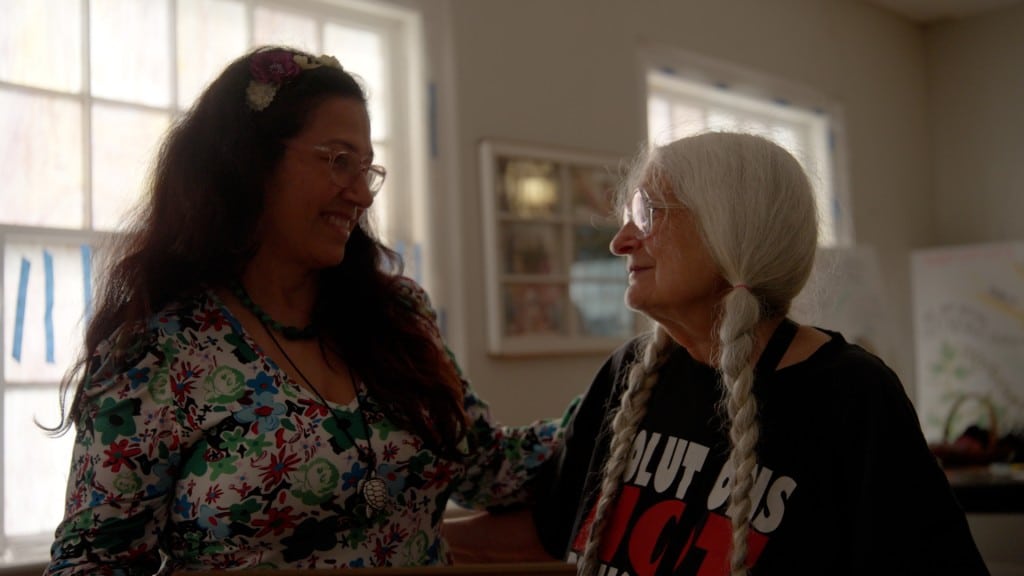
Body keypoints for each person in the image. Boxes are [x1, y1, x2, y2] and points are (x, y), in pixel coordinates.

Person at [44, 45, 560, 574]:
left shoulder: (399, 316)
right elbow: (91, 562)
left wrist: (629, 382)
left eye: (367, 169)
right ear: (250, 162)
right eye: (339, 161)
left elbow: (491, 467)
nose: (361, 194)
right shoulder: (157, 354)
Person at [528, 132, 991, 575]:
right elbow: (549, 530)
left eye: (647, 213)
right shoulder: (628, 372)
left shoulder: (851, 393)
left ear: (729, 228)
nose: (620, 241)